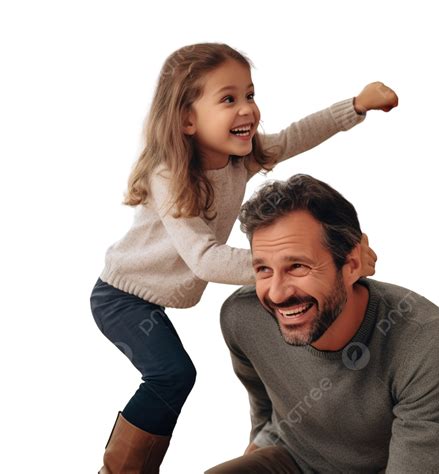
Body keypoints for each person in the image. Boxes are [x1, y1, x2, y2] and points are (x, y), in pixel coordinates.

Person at [89, 42, 397, 473]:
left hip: (152, 297)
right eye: (228, 99)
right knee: (172, 375)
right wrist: (288, 265)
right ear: (187, 119)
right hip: (121, 296)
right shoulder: (170, 175)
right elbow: (206, 260)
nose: (247, 109)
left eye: (249, 95)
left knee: (180, 372)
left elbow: (294, 136)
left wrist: (356, 106)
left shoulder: (240, 159)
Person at [205, 174, 439, 473]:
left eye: (298, 266)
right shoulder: (244, 317)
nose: (277, 293)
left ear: (352, 264)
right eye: (264, 269)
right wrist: (262, 441)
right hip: (294, 457)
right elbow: (262, 395)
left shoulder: (425, 342)